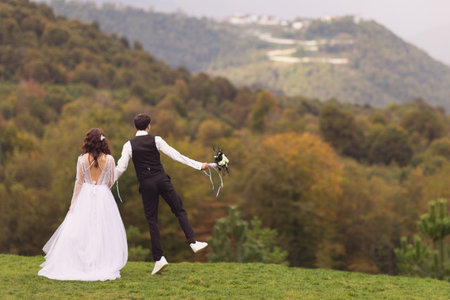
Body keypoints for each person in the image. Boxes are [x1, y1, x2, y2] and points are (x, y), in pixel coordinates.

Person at [115, 113, 209, 275]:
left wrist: (106, 184)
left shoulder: (128, 145)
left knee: (152, 221)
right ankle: (192, 242)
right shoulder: (156, 140)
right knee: (179, 210)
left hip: (146, 185)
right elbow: (176, 156)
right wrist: (199, 165)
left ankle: (159, 259)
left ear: (135, 127)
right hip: (162, 181)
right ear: (149, 125)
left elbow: (121, 168)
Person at [38, 129, 128, 281]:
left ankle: (82, 263)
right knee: (102, 230)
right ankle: (99, 262)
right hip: (103, 195)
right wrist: (102, 188)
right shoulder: (110, 160)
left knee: (82, 229)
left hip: (85, 194)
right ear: (103, 141)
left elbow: (79, 182)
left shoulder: (81, 159)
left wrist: (73, 203)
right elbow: (111, 179)